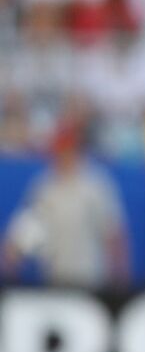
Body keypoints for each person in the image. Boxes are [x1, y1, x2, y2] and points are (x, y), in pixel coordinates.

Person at [2, 119, 128, 290]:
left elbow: (114, 234)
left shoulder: (96, 185)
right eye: (59, 150)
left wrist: (119, 278)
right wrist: (13, 258)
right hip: (55, 280)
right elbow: (24, 234)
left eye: (67, 150)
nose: (63, 156)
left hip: (90, 279)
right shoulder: (45, 188)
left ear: (76, 150)